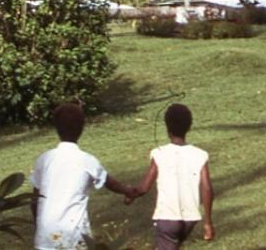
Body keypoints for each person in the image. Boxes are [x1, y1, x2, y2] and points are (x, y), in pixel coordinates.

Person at [32, 102, 142, 250]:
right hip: (75, 234)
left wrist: (39, 224)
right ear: (82, 128)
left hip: (46, 235)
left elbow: (34, 199)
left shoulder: (44, 159)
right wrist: (128, 191)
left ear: (56, 128)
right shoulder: (87, 160)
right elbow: (110, 183)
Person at [125, 103, 215, 249]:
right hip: (190, 219)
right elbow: (207, 189)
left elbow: (144, 187)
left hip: (167, 218)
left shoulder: (159, 153)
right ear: (189, 126)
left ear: (167, 128)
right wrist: (208, 223)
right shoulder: (200, 155)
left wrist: (130, 193)